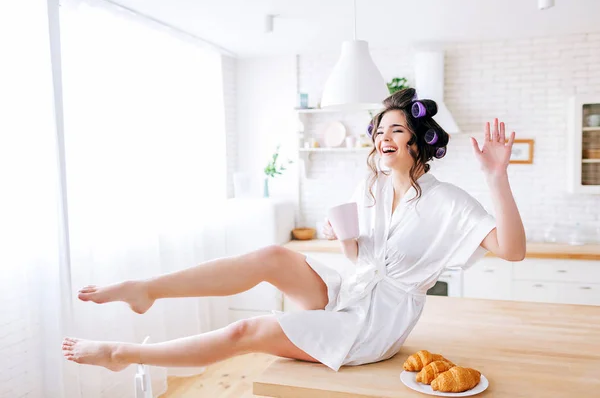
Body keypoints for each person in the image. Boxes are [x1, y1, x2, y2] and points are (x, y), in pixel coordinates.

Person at [62, 88, 526, 373]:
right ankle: (147, 290)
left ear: (419, 139)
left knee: (248, 329)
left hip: (374, 324)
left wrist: (496, 177)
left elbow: (512, 250)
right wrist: (340, 232)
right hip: (350, 290)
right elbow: (357, 255)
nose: (382, 137)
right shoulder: (372, 185)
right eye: (379, 129)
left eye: (396, 129)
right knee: (271, 256)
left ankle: (122, 354)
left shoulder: (448, 202)